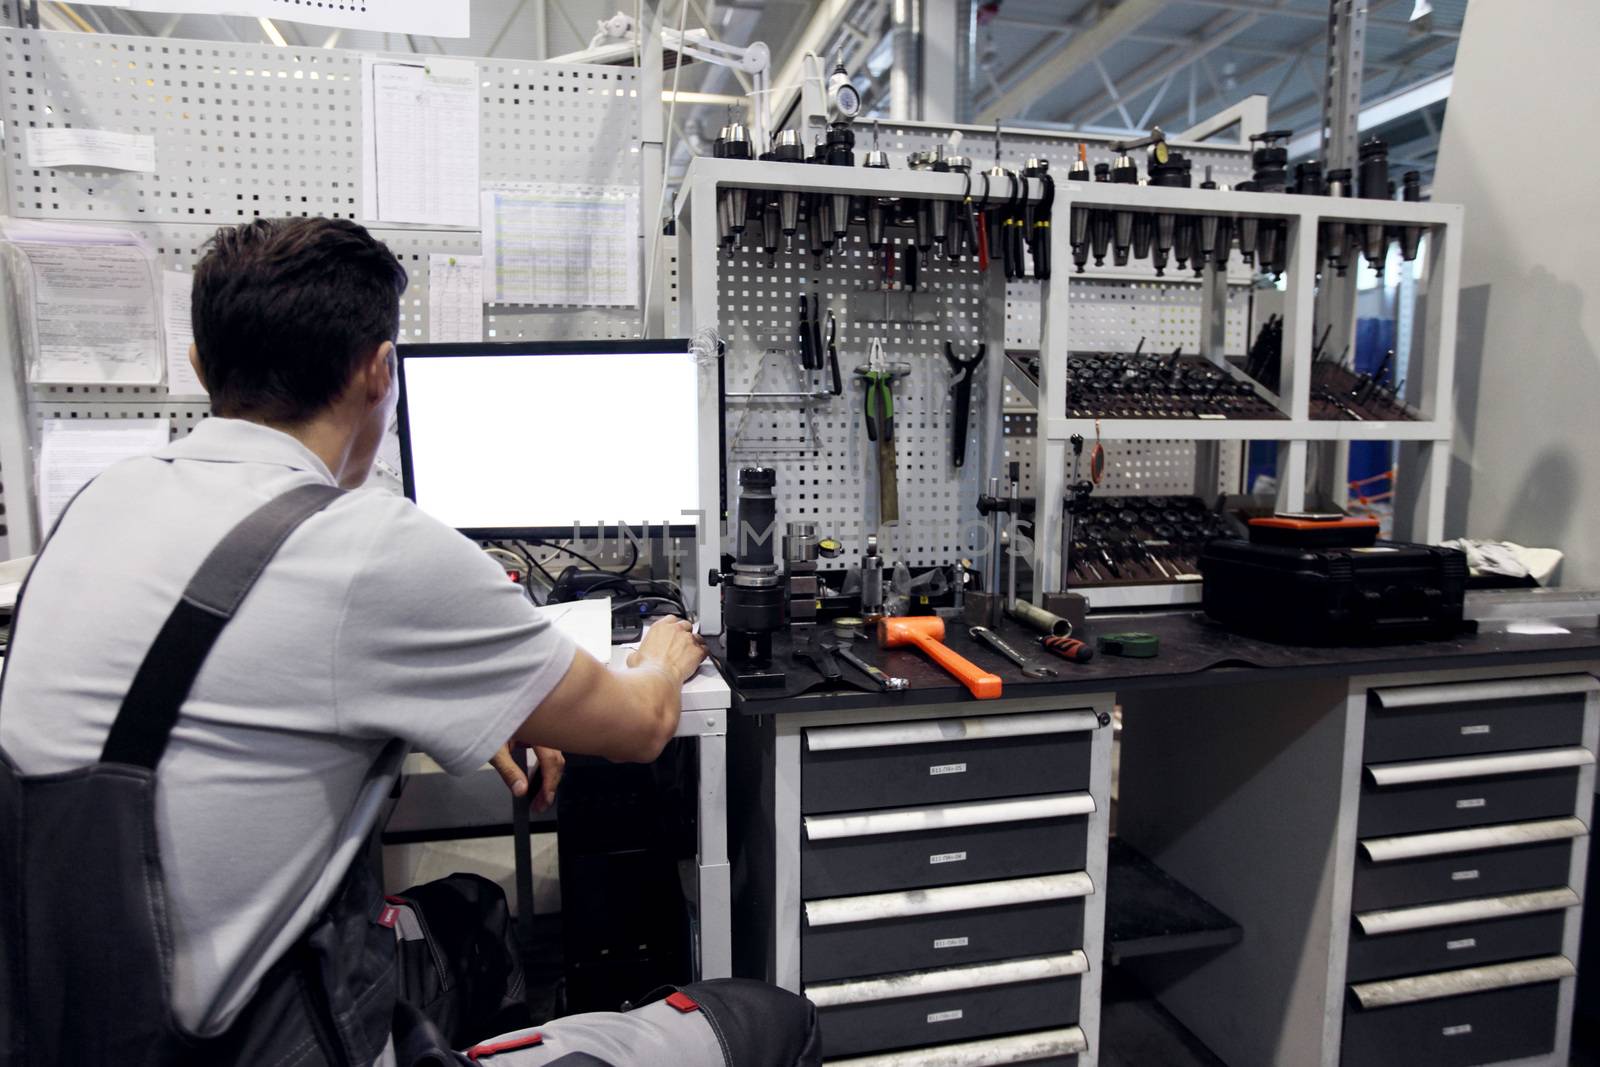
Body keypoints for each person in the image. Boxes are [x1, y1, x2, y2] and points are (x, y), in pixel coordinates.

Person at [0, 217, 819, 1066]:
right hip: (273, 1044)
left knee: (474, 915)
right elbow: (643, 726)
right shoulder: (369, 547)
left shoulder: (94, 510)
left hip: (90, 1029)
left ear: (204, 366)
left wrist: (478, 696)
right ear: (379, 372)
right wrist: (660, 653)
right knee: (771, 1020)